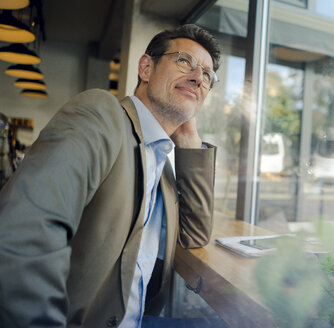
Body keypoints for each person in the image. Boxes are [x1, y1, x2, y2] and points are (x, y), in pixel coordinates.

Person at [0, 24, 220, 327]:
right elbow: (23, 232)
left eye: (207, 75)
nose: (198, 77)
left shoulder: (162, 164)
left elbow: (194, 234)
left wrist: (190, 144)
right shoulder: (102, 114)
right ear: (146, 67)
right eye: (184, 61)